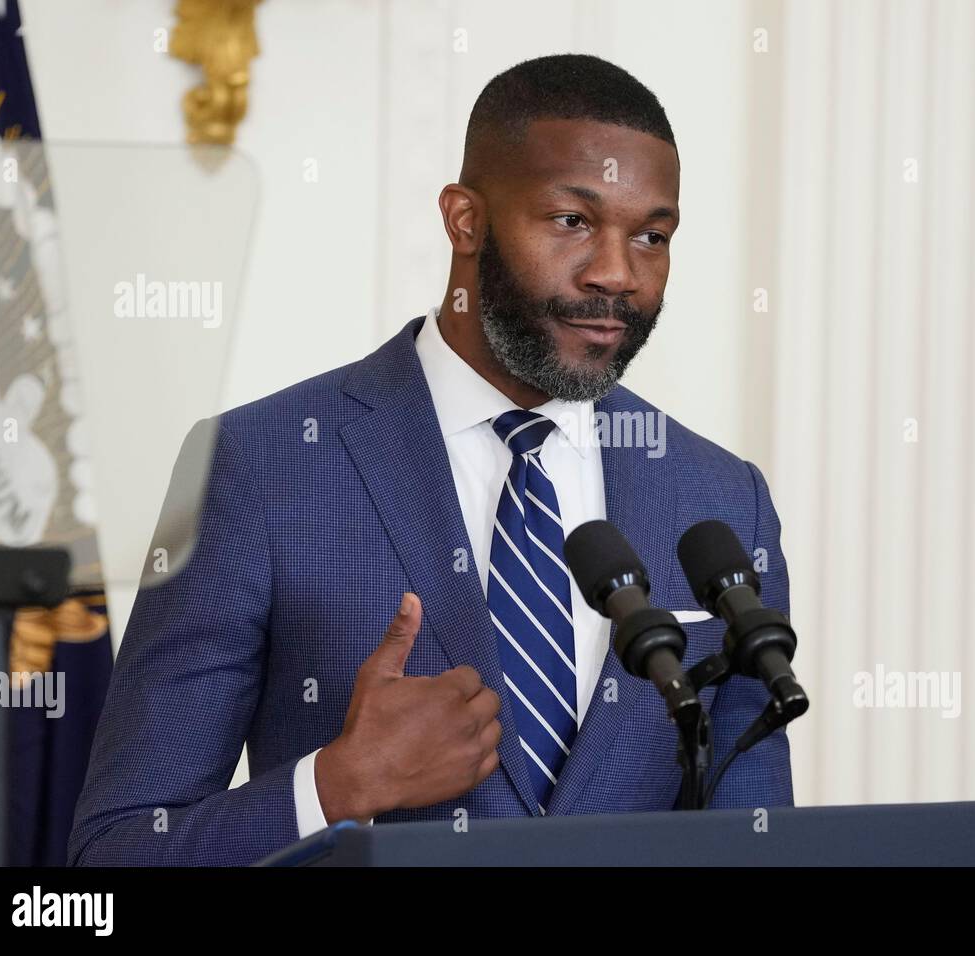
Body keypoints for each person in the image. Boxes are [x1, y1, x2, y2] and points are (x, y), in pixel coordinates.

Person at [69, 53, 793, 866]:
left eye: (652, 236)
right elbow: (114, 856)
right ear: (464, 220)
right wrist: (336, 787)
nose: (616, 274)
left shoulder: (722, 502)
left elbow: (752, 842)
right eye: (572, 221)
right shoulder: (253, 468)